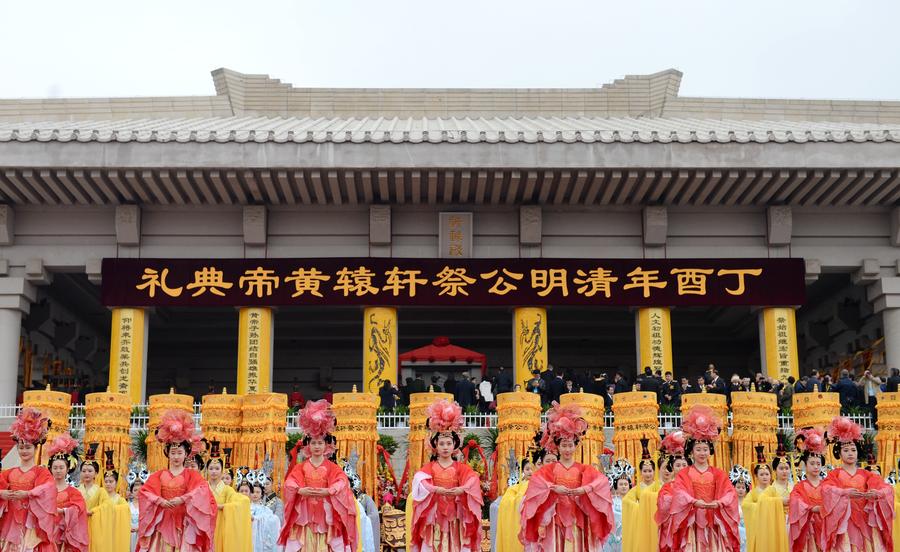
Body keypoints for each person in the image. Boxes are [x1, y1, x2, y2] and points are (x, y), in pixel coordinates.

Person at [520, 402, 614, 550]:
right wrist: (553, 488)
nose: (567, 449)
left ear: (576, 445)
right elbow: (535, 485)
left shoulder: (584, 469)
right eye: (564, 445)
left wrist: (585, 489)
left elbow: (602, 483)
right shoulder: (550, 469)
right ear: (557, 446)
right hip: (555, 517)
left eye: (570, 445)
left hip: (578, 517)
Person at [279, 400, 357, 551]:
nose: (317, 446)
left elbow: (342, 482)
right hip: (305, 517)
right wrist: (300, 490)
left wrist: (330, 491)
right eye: (313, 443)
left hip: (326, 517)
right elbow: (289, 483)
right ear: (308, 445)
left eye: (320, 443)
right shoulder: (301, 467)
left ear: (326, 446)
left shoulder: (332, 467)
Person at [136, 409, 218, 551]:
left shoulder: (192, 475)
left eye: (179, 453)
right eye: (173, 453)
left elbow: (203, 492)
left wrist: (183, 499)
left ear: (186, 454)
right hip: (163, 523)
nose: (176, 457)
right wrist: (159, 501)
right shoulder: (159, 475)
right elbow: (144, 493)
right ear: (167, 454)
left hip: (185, 523)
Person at [409, 399, 483, 551]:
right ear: (435, 446)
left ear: (455, 445)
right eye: (441, 444)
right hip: (435, 513)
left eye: (448, 443)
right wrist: (436, 490)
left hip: (456, 514)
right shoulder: (431, 467)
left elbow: (473, 479)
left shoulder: (459, 467)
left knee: (455, 543)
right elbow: (420, 481)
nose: (445, 447)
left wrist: (462, 489)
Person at [663, 405, 740, 551]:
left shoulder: (718, 473)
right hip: (691, 523)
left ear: (710, 451)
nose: (702, 453)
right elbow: (679, 493)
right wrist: (693, 501)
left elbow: (730, 493)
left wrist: (719, 503)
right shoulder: (684, 473)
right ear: (691, 452)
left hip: (713, 522)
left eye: (705, 449)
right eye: (698, 449)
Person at [821, 416, 894, 551]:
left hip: (865, 520)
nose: (850, 453)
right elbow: (826, 489)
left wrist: (877, 494)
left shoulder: (867, 474)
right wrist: (844, 493)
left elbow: (887, 489)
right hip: (844, 523)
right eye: (846, 450)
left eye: (853, 450)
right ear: (839, 453)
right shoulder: (834, 474)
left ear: (858, 452)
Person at [0, 407, 57, 551]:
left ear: (35, 448)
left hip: (31, 525)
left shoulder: (41, 472)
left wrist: (28, 494)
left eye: (27, 447)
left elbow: (49, 489)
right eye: (20, 447)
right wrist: (2, 494)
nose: (24, 451)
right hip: (11, 522)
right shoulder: (8, 473)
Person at [207, 441, 251, 552]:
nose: (214, 471)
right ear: (206, 470)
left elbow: (243, 501)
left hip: (221, 525)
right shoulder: (202, 488)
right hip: (205, 524)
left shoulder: (227, 489)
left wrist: (223, 506)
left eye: (217, 468)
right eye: (211, 468)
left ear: (222, 471)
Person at [47, 435, 89, 552]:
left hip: (66, 534)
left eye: (61, 467)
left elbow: (79, 508)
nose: (58, 470)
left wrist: (64, 511)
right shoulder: (45, 490)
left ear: (67, 468)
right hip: (47, 531)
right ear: (50, 469)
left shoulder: (74, 492)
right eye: (55, 467)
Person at [788, 428, 826, 552]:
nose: (816, 467)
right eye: (812, 463)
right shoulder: (799, 487)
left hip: (825, 527)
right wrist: (810, 509)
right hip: (807, 529)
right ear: (805, 464)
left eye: (818, 464)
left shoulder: (827, 485)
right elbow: (795, 502)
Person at [622, 439, 661, 552]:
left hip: (655, 521)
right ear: (640, 472)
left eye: (650, 471)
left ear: (654, 471)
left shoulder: (659, 487)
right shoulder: (637, 488)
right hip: (640, 522)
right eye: (645, 471)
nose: (648, 474)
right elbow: (627, 501)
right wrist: (639, 507)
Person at [755, 442, 792, 552]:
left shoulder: (794, 486)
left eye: (787, 468)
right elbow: (762, 501)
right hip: (778, 524)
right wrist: (780, 501)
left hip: (793, 523)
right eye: (781, 468)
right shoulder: (771, 488)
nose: (784, 471)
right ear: (775, 470)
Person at [656, 431, 688, 552]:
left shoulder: (694, 485)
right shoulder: (667, 486)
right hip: (671, 528)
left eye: (684, 465)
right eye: (678, 465)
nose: (681, 468)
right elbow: (663, 506)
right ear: (673, 467)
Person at [495, 457, 534, 552]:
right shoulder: (515, 488)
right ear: (522, 471)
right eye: (527, 469)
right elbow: (506, 503)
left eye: (533, 469)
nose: (530, 472)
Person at [97, 450, 132, 552]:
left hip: (115, 530)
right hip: (102, 530)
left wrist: (108, 509)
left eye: (111, 481)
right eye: (106, 481)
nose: (108, 484)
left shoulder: (120, 499)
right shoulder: (100, 497)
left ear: (117, 483)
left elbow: (125, 509)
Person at [743, 446, 773, 552]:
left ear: (771, 475)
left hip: (773, 525)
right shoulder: (753, 492)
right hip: (758, 527)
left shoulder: (774, 491)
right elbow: (745, 505)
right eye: (761, 474)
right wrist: (759, 505)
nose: (764, 477)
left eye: (767, 474)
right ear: (756, 476)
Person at [240, 481, 280, 552]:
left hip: (261, 538)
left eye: (258, 492)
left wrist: (256, 519)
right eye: (253, 492)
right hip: (247, 536)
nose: (255, 494)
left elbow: (274, 520)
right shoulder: (245, 507)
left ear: (262, 494)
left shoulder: (266, 509)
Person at [604, 460, 634, 552]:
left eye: (625, 484)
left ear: (629, 486)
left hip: (629, 535)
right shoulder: (611, 502)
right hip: (612, 537)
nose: (624, 486)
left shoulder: (634, 501)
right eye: (621, 484)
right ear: (616, 486)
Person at [729, 466, 752, 552]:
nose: (741, 490)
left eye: (743, 488)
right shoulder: (730, 503)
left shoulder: (749, 502)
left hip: (748, 533)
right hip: (735, 533)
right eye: (738, 487)